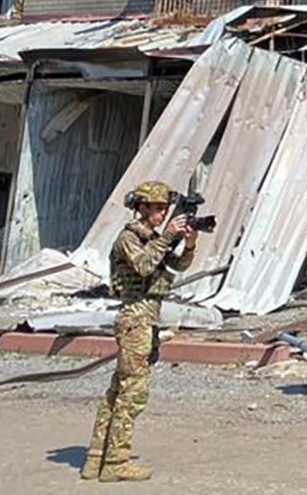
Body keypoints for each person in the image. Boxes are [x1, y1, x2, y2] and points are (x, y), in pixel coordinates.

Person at [83, 180, 197, 483]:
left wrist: (190, 243)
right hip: (135, 319)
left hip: (146, 319)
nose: (162, 213)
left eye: (164, 208)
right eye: (157, 208)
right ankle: (116, 462)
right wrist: (169, 236)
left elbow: (174, 267)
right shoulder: (129, 239)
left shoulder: (152, 239)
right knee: (133, 393)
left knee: (118, 390)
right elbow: (145, 266)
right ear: (142, 208)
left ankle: (97, 458)